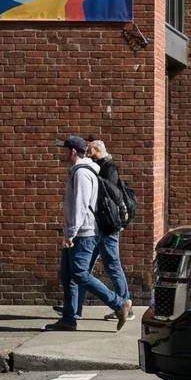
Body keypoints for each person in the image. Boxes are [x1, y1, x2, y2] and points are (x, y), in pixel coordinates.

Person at [46, 136, 131, 332]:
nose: (63, 154)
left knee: (80, 273)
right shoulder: (80, 171)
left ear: (73, 152)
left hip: (83, 233)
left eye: (65, 150)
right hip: (78, 232)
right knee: (68, 275)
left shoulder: (83, 173)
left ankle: (119, 304)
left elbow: (80, 205)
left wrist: (71, 233)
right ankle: (69, 318)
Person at [84, 139, 132, 321]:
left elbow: (110, 195)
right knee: (86, 267)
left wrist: (96, 179)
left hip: (108, 225)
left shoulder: (109, 167)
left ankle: (125, 303)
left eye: (89, 149)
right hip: (98, 225)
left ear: (96, 149)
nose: (87, 152)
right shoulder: (100, 166)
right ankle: (73, 308)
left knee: (112, 265)